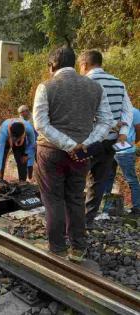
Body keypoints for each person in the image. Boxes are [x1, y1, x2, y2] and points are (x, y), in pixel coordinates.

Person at [33, 45, 112, 262]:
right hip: (82, 155)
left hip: (51, 153)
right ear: (74, 64)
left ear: (52, 65)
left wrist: (67, 144)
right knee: (76, 198)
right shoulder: (95, 88)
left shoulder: (46, 87)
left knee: (53, 199)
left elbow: (41, 123)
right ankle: (78, 248)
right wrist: (84, 144)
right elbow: (106, 121)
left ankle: (57, 247)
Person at [78, 50, 134, 227]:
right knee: (98, 181)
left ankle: (73, 219)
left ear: (84, 65)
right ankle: (88, 220)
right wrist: (123, 131)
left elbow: (82, 113)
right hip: (110, 142)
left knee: (76, 179)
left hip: (88, 142)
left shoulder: (85, 82)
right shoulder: (119, 83)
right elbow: (127, 110)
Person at [103, 107, 140, 216]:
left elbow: (139, 129)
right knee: (108, 179)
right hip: (110, 149)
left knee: (131, 179)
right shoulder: (110, 111)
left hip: (126, 150)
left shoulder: (134, 112)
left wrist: (133, 141)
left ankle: (137, 208)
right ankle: (106, 209)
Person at [18, 105, 37, 180]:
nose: (22, 113)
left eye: (24, 111)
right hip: (26, 139)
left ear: (27, 111)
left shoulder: (34, 117)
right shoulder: (20, 119)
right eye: (21, 112)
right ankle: (29, 177)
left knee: (38, 157)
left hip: (36, 137)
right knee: (29, 159)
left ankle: (37, 176)